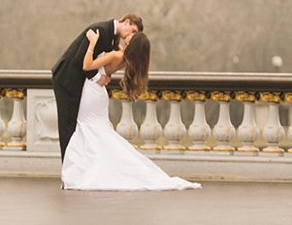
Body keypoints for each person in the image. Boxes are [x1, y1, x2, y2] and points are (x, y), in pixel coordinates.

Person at [54, 18, 201, 191]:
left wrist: (92, 43)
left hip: (92, 91)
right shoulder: (125, 57)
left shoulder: (117, 55)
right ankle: (89, 169)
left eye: (133, 35)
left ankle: (82, 171)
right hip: (98, 93)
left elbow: (87, 65)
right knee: (96, 131)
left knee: (88, 129)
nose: (130, 35)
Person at [51, 15, 142, 159]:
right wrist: (98, 77)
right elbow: (79, 59)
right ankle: (68, 172)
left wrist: (104, 73)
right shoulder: (100, 30)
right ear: (126, 22)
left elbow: (101, 60)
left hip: (82, 83)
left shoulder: (112, 38)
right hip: (67, 79)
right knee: (68, 126)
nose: (131, 35)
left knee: (77, 128)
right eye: (133, 31)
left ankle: (76, 168)